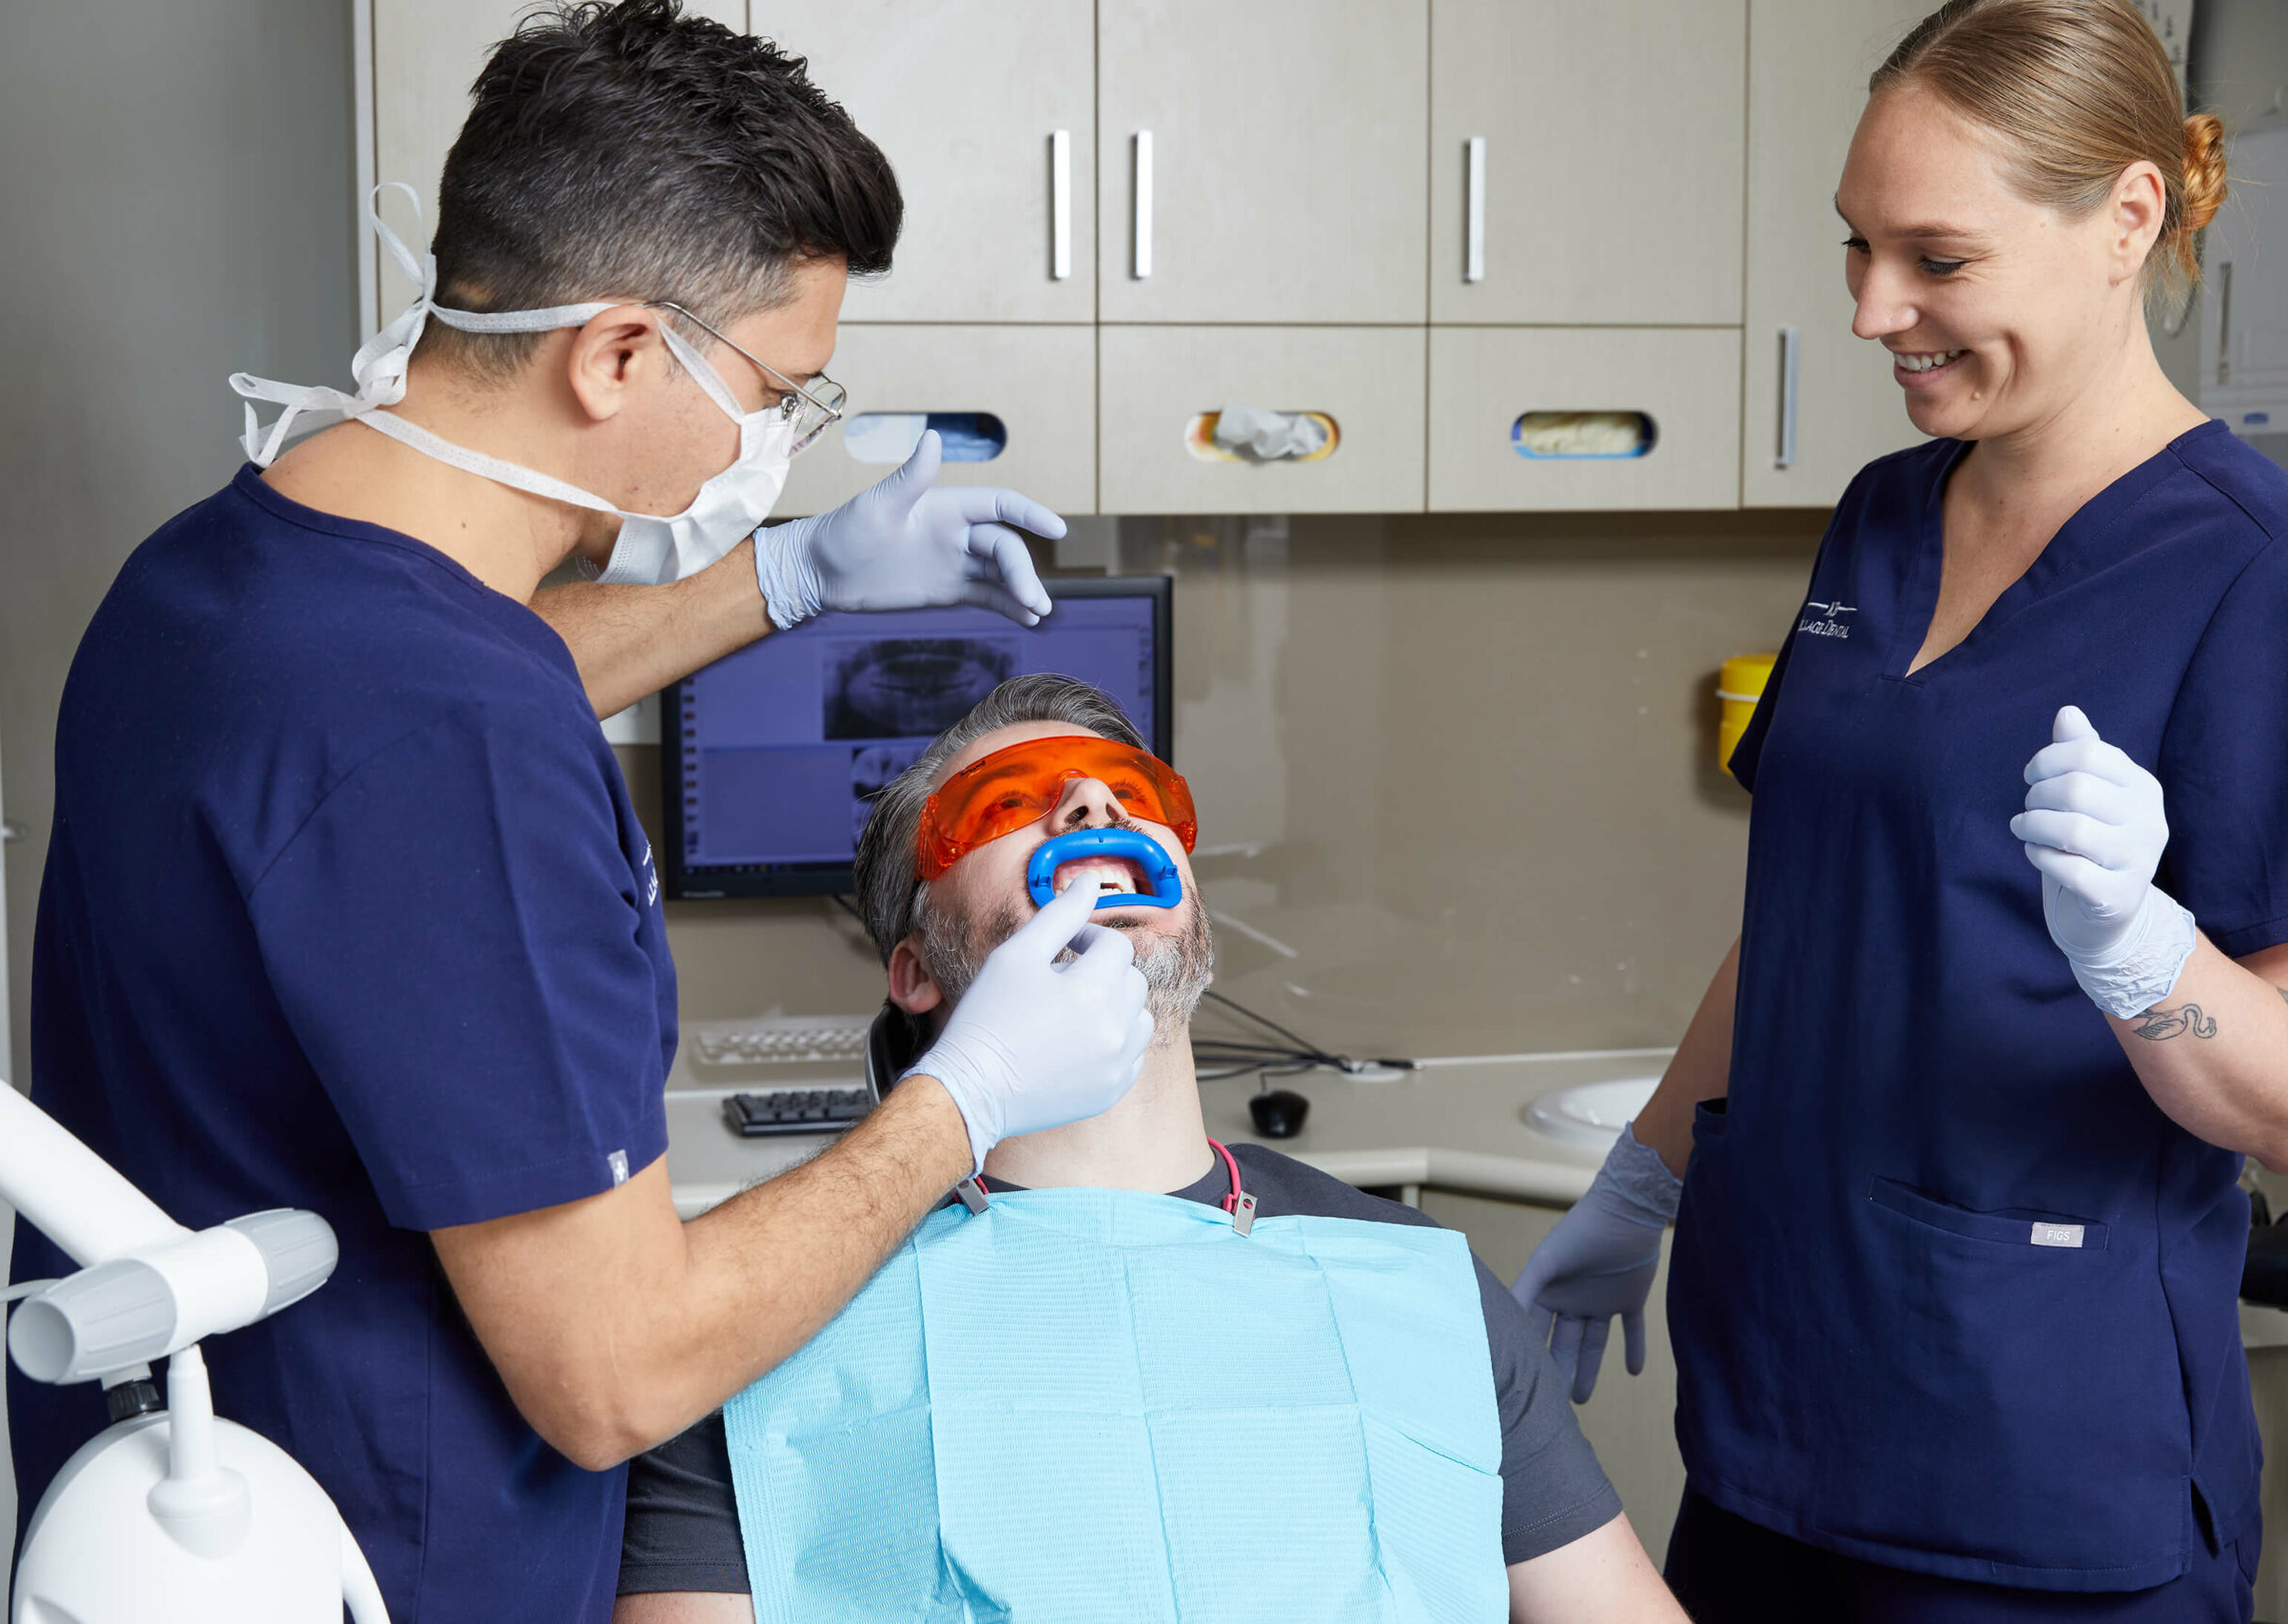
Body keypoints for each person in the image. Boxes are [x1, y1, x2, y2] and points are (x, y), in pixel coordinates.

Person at [9, 9, 1154, 1623]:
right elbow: (617, 1374)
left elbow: (447, 687)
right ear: (615, 352)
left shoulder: (217, 576)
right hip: (384, 1558)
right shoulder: (448, 741)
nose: (778, 441)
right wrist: (963, 1102)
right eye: (782, 392)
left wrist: (783, 576)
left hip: (169, 1511)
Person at [1512, 1, 2283, 1617]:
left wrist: (2148, 961)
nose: (1873, 310)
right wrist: (1645, 1174)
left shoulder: (2248, 564)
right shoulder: (1883, 514)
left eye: (1935, 258)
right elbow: (1813, 906)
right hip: (1777, 1415)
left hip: (2039, 1464)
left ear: (2126, 218)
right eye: (1857, 247)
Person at [613, 675, 1689, 1624]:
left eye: (1130, 794)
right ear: (915, 972)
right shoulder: (757, 1315)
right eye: (1006, 805)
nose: (1093, 807)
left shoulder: (1420, 1287)